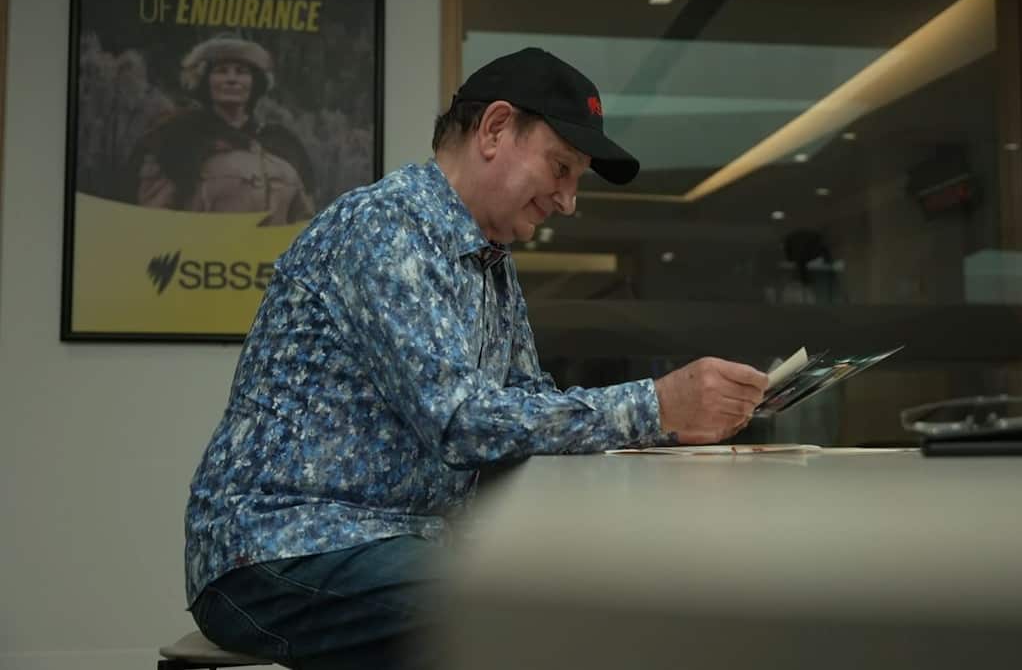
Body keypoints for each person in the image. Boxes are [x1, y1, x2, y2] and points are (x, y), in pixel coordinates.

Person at [184, 47, 769, 669]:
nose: (568, 201)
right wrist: (654, 406)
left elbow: (530, 410)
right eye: (561, 167)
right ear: (494, 129)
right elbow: (461, 421)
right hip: (277, 551)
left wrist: (670, 426)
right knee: (549, 611)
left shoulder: (489, 263)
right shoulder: (384, 226)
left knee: (600, 588)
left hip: (391, 543)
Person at [119, 34, 316, 225]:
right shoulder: (176, 138)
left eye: (241, 71)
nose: (232, 79)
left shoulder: (283, 143)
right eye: (221, 71)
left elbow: (304, 223)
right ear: (204, 80)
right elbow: (154, 220)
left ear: (255, 82)